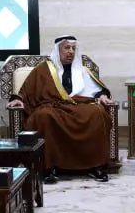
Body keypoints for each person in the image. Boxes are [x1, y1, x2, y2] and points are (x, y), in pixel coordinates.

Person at [8, 36, 115, 183]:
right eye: (67, 48)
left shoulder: (81, 69)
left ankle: (95, 166)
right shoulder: (44, 68)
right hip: (52, 106)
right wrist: (18, 99)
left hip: (77, 105)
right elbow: (26, 90)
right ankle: (48, 168)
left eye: (73, 48)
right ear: (58, 49)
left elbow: (94, 90)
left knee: (97, 113)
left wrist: (102, 96)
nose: (71, 51)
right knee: (44, 115)